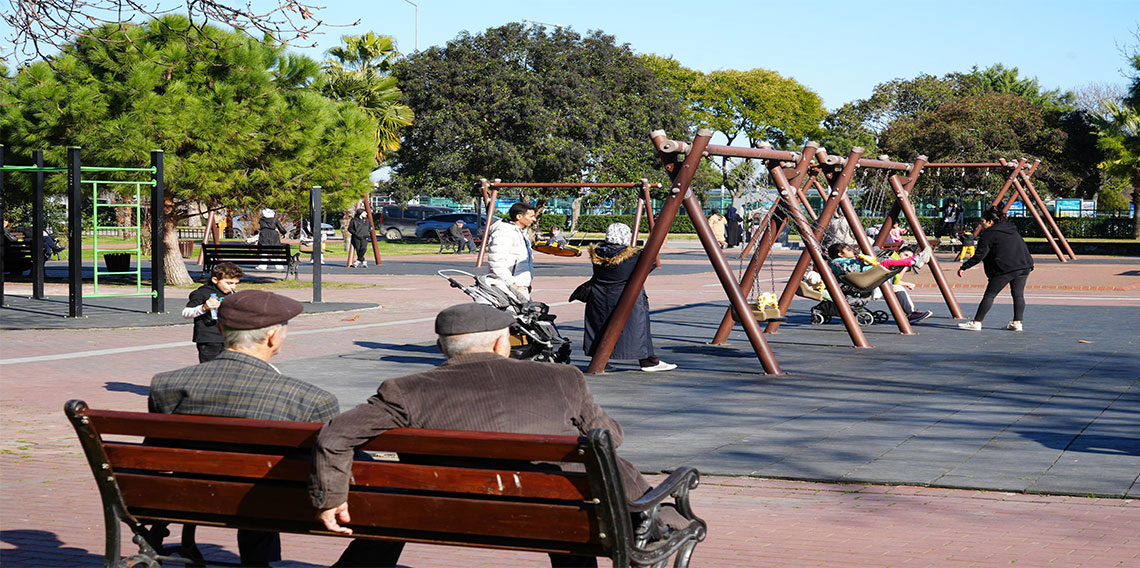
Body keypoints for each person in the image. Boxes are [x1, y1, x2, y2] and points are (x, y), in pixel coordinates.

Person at [310, 303, 680, 567]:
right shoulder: (562, 378)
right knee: (587, 481)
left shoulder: (404, 390)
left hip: (440, 513)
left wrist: (330, 498)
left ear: (441, 347)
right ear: (502, 344)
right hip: (559, 515)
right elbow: (609, 438)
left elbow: (335, 435)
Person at [150, 290, 340, 567]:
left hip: (186, 497)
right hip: (269, 503)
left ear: (219, 328)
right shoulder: (310, 399)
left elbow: (156, 451)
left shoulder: (166, 384)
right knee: (268, 492)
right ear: (273, 336)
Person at [583, 223, 676, 373]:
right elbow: (650, 264)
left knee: (599, 326)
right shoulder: (633, 256)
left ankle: (599, 359)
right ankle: (647, 360)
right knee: (639, 328)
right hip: (626, 296)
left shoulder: (598, 253)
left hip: (599, 295)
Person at [956, 207, 1034, 331]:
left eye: (982, 221)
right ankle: (1017, 323)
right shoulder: (1011, 230)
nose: (980, 224)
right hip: (1024, 265)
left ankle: (976, 322)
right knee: (1018, 295)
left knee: (990, 295)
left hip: (1006, 268)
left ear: (990, 222)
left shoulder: (989, 234)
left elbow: (980, 255)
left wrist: (964, 267)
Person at [183, 262, 244, 363]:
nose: (233, 287)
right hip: (209, 339)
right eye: (229, 283)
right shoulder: (202, 293)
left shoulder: (232, 294)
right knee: (210, 369)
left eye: (236, 283)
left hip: (229, 338)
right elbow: (186, 313)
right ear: (215, 280)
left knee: (228, 368)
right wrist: (204, 308)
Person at [486, 202, 537, 295]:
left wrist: (526, 283)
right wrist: (511, 283)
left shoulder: (521, 233)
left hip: (519, 285)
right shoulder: (505, 232)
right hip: (508, 287)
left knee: (531, 309)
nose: (534, 219)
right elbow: (496, 261)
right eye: (531, 216)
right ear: (519, 216)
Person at [827, 242, 931, 279]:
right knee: (887, 262)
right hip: (863, 276)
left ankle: (915, 259)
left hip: (865, 273)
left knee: (887, 261)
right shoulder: (838, 262)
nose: (852, 251)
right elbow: (851, 269)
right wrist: (861, 261)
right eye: (849, 250)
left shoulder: (842, 261)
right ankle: (914, 261)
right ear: (840, 254)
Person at [888, 245, 933, 323]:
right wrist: (907, 284)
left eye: (908, 257)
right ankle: (910, 313)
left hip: (884, 282)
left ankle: (910, 312)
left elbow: (896, 279)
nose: (906, 257)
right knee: (898, 288)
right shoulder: (894, 260)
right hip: (881, 284)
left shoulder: (895, 259)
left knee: (897, 287)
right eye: (905, 255)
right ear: (899, 252)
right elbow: (896, 281)